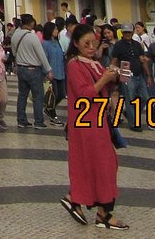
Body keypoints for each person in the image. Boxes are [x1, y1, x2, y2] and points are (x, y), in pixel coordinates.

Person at [60, 24, 127, 230]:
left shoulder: (94, 63)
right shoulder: (74, 65)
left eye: (93, 42)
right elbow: (85, 93)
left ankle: (86, 202)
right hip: (86, 122)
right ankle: (101, 211)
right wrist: (105, 78)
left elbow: (104, 87)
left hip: (98, 120)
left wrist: (115, 76)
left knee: (100, 164)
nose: (90, 47)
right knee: (102, 164)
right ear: (76, 44)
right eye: (86, 43)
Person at [10, 14, 51, 129]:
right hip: (33, 69)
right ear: (32, 23)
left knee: (22, 95)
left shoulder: (15, 35)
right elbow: (41, 54)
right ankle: (38, 121)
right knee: (38, 96)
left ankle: (21, 120)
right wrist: (48, 69)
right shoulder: (32, 37)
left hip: (21, 68)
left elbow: (14, 53)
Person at [41, 21, 66, 126]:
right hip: (51, 73)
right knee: (54, 94)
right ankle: (53, 115)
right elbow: (44, 59)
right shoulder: (45, 44)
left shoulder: (57, 42)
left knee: (62, 94)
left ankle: (50, 109)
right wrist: (47, 72)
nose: (57, 31)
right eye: (55, 29)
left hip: (60, 71)